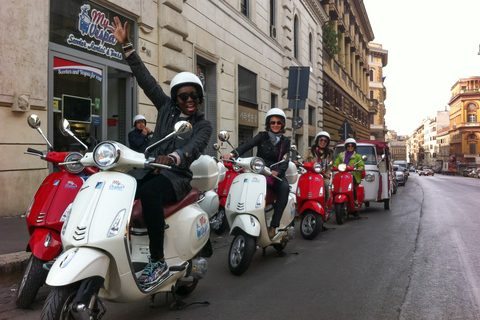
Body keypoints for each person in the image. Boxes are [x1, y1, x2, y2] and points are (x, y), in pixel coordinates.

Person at [114, 17, 213, 286]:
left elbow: (194, 148)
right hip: (149, 169)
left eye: (194, 95)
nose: (189, 99)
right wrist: (128, 47)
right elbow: (146, 80)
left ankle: (156, 261)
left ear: (200, 98)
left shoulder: (203, 124)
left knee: (149, 192)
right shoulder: (165, 108)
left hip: (176, 178)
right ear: (175, 97)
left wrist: (173, 157)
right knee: (115, 187)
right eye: (183, 95)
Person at [222, 108, 291, 239]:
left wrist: (279, 171)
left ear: (282, 124)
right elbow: (247, 145)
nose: (275, 125)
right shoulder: (262, 136)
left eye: (278, 122)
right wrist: (232, 154)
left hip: (275, 173)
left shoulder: (285, 141)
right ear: (268, 124)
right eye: (272, 122)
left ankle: (274, 225)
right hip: (260, 171)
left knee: (285, 188)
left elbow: (286, 160)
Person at [304, 131, 333, 209]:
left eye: (325, 141)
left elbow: (329, 166)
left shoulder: (329, 153)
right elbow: (303, 159)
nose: (323, 142)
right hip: (310, 175)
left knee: (326, 186)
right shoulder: (310, 150)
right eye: (321, 140)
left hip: (323, 177)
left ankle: (325, 206)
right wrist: (298, 162)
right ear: (317, 140)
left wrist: (327, 175)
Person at [333, 138, 364, 209]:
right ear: (346, 147)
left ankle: (355, 201)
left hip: (353, 175)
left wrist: (360, 168)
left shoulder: (357, 156)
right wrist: (334, 166)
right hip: (342, 175)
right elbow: (336, 163)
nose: (350, 147)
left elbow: (361, 165)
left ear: (354, 147)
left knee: (352, 185)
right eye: (348, 146)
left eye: (352, 146)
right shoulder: (341, 155)